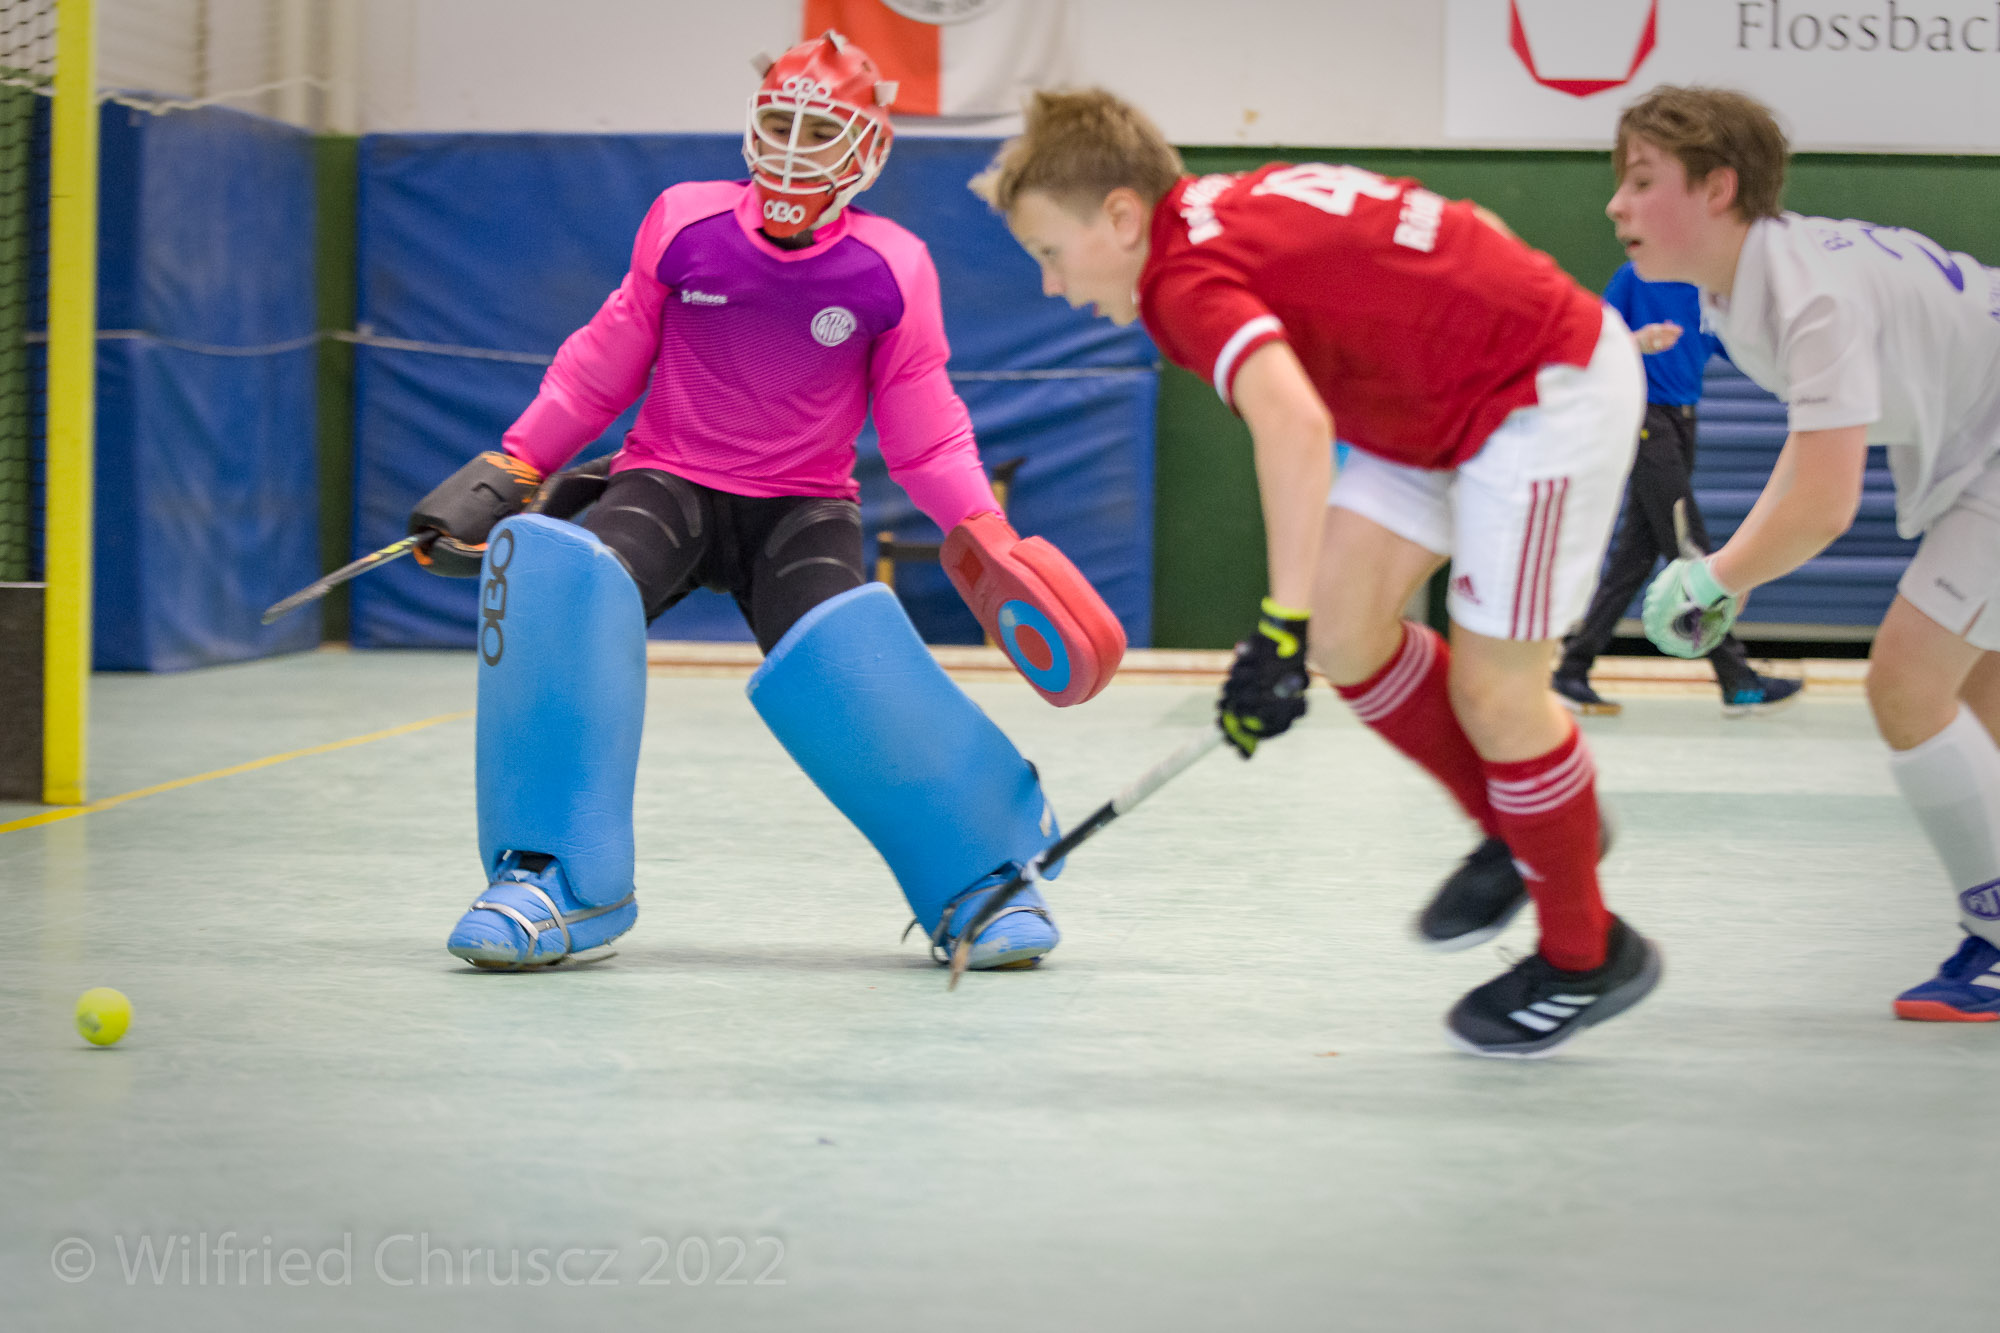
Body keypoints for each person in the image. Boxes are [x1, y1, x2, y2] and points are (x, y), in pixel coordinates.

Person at [406, 32, 1125, 974]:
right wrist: (518, 459)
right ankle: (555, 880)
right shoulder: (684, 224)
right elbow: (599, 366)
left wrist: (983, 529)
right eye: (779, 122)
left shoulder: (893, 267)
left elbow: (923, 433)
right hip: (666, 483)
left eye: (818, 130)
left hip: (800, 509)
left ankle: (980, 879)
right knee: (564, 588)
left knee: (851, 659)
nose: (792, 147)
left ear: (868, 149)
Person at [973, 90, 1661, 1057]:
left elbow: (1294, 425)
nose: (1052, 286)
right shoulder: (1215, 211)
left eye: (1050, 252)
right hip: (1432, 403)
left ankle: (1586, 952)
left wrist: (1275, 628)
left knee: (1497, 694)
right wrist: (1302, 629)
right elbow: (1471, 224)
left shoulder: (1181, 280)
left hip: (1544, 394)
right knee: (1346, 631)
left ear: (1122, 216)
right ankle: (1525, 829)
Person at [1615, 85, 2000, 1022]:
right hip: (1978, 447)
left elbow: (1827, 505)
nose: (1617, 204)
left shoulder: (1807, 293)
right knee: (1978, 698)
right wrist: (1736, 571)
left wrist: (1716, 574)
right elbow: (1813, 439)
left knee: (1908, 680)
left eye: (1641, 179)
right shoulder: (1746, 288)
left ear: (1717, 188)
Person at [1553, 263, 1803, 717]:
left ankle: (1572, 668)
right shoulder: (1633, 278)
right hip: (1648, 420)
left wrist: (1794, 372)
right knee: (1690, 547)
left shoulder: (1708, 287)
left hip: (1685, 421)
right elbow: (1597, 341)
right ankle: (1738, 680)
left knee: (1635, 556)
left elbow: (1736, 347)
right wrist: (1639, 340)